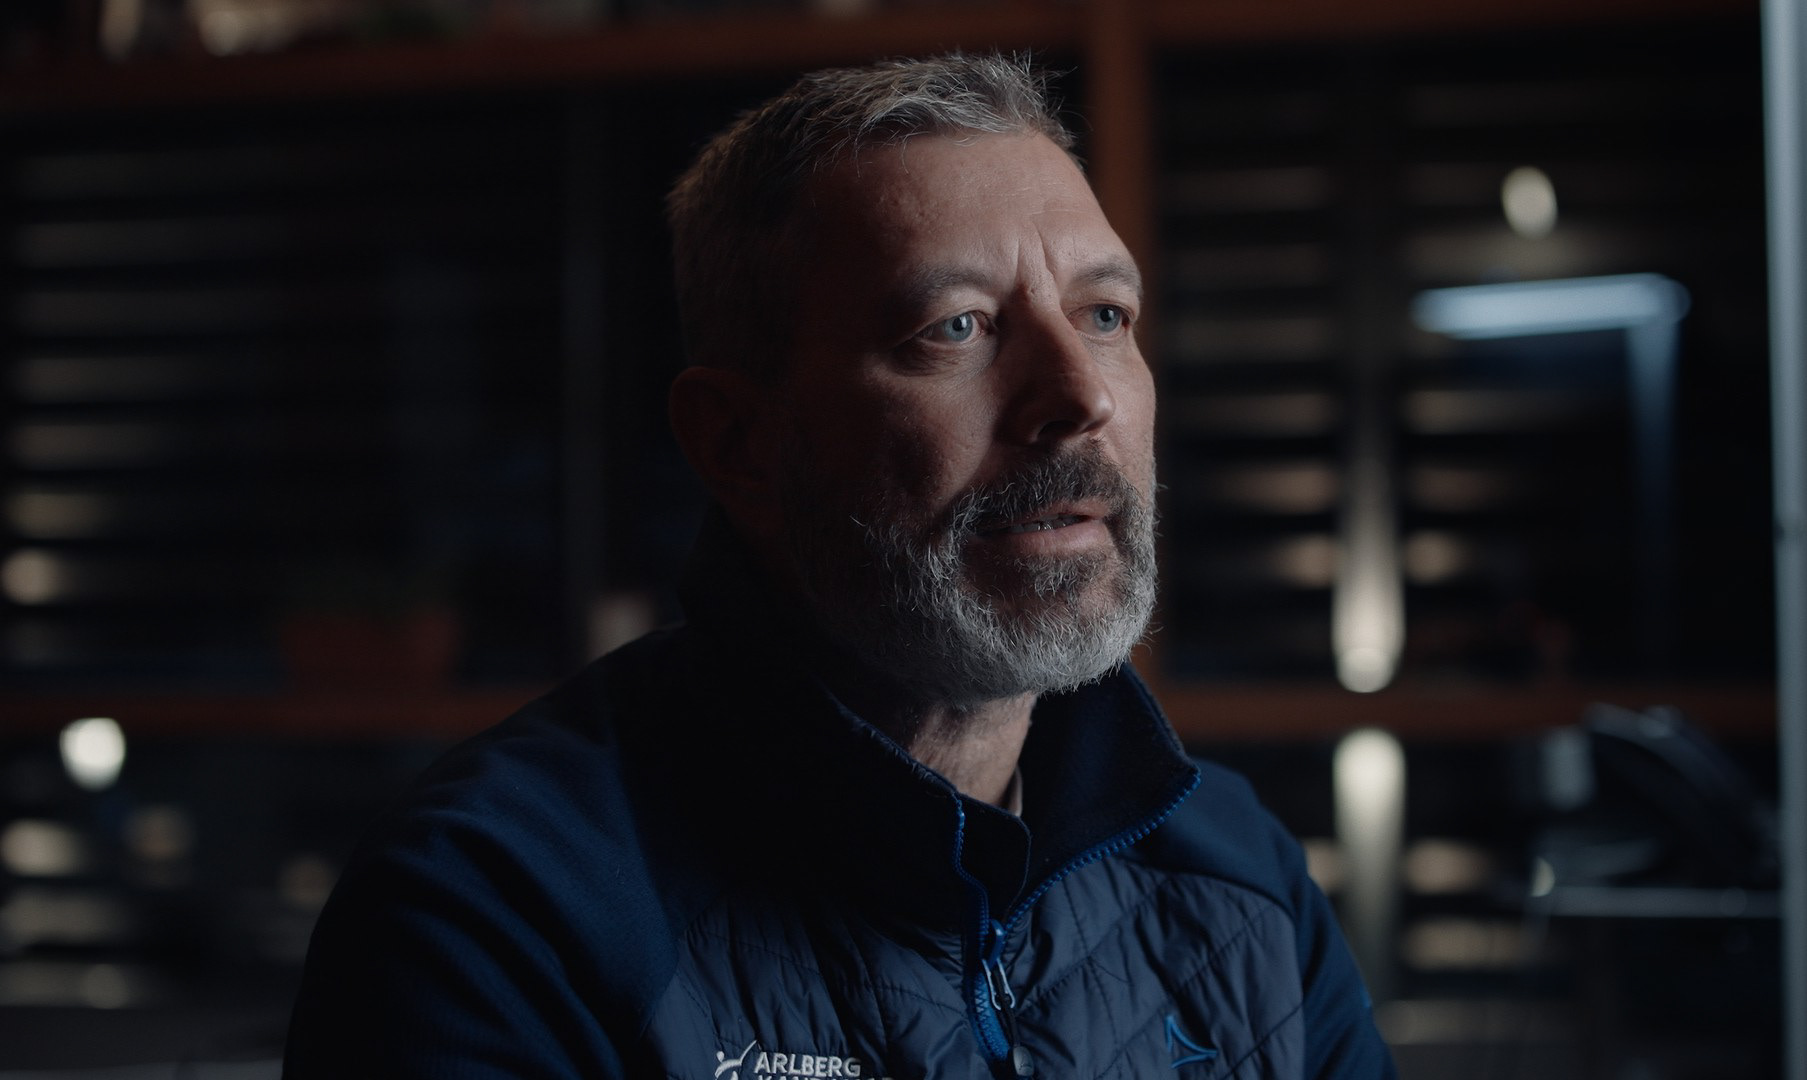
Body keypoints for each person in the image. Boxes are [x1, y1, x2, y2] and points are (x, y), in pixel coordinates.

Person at [283, 53, 1396, 1080]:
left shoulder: (1236, 875)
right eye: (957, 328)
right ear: (738, 443)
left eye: (1105, 314)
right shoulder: (502, 915)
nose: (1080, 395)